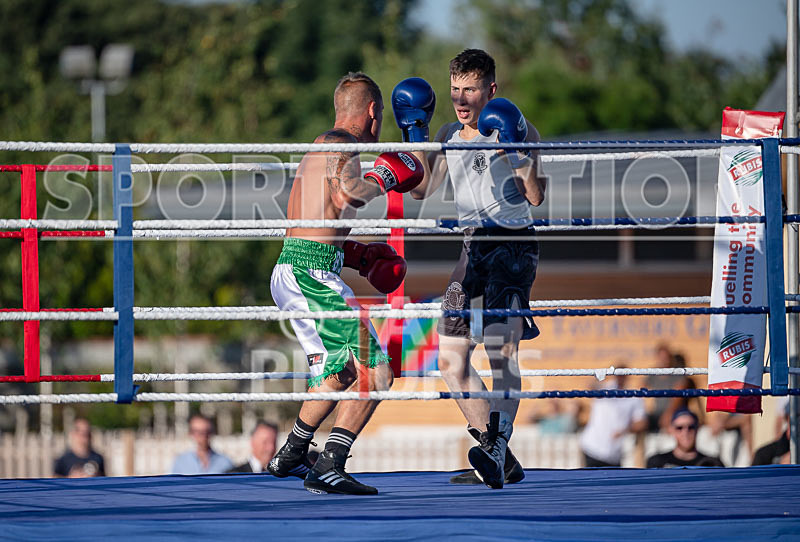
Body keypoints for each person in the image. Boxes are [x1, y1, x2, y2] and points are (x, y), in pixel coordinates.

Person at [396, 48, 546, 488]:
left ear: (491, 90)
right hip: (471, 247)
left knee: (503, 350)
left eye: (471, 89)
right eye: (455, 90)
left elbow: (536, 196)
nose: (461, 99)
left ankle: (497, 447)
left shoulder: (519, 127)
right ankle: (495, 451)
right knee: (449, 357)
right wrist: (414, 134)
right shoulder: (447, 132)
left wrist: (516, 150)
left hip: (513, 244)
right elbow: (422, 191)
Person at [267, 72, 423, 495]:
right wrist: (386, 176)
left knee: (340, 373)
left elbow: (316, 224)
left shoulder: (320, 146)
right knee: (379, 372)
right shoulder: (341, 146)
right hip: (309, 275)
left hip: (304, 268)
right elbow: (348, 195)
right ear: (373, 112)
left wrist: (358, 254)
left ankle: (294, 452)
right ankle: (331, 463)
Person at [579, 373, 648, 467]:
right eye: (618, 374)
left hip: (614, 453)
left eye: (622, 375)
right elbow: (589, 385)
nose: (620, 378)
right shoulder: (605, 389)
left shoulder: (633, 397)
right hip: (592, 448)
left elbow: (641, 423)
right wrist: (605, 375)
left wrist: (624, 430)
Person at [647, 409, 724, 468]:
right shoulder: (657, 462)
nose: (685, 432)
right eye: (679, 428)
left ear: (697, 429)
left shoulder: (712, 464)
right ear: (671, 430)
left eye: (690, 427)